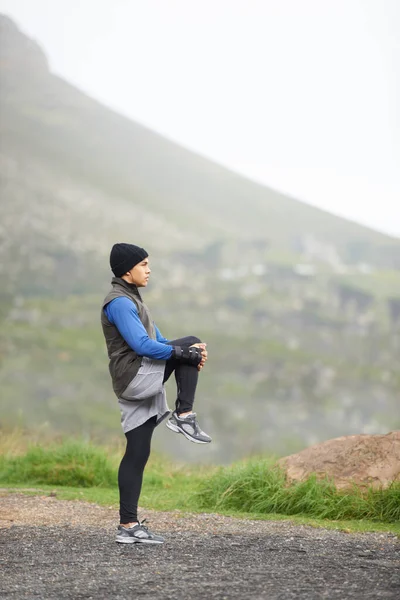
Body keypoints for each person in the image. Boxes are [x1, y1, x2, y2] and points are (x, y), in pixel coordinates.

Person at [101, 242, 211, 545]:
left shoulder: (133, 300)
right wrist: (187, 354)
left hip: (134, 379)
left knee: (137, 454)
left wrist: (186, 353)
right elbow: (142, 346)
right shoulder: (120, 302)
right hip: (134, 377)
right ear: (128, 269)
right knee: (191, 342)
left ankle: (128, 526)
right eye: (144, 264)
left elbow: (159, 340)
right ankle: (184, 415)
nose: (149, 270)